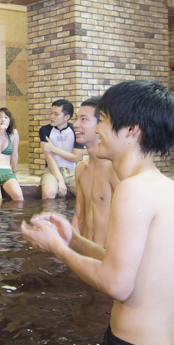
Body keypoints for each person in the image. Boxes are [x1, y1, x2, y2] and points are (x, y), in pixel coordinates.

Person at [22, 80, 174, 345]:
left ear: (131, 131)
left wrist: (56, 249)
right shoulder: (168, 188)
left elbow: (117, 284)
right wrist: (72, 240)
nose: (95, 130)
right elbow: (132, 267)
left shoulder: (134, 190)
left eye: (102, 120)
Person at [72, 97, 119, 246]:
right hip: (86, 252)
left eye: (84, 119)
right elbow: (79, 217)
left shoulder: (114, 170)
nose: (75, 124)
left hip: (107, 256)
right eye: (76, 119)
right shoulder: (80, 168)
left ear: (101, 125)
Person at [38, 99, 84, 199]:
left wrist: (53, 149)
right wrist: (60, 180)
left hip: (72, 171)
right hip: (52, 170)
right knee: (48, 192)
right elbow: (49, 157)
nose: (51, 117)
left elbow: (76, 158)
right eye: (51, 113)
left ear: (66, 117)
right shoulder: (44, 130)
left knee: (87, 193)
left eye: (56, 114)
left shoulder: (75, 131)